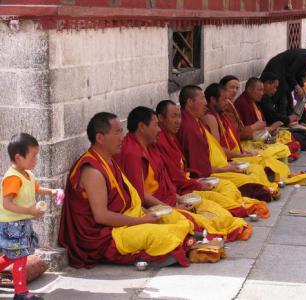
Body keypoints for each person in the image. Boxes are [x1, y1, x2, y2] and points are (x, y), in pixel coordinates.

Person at [59, 112, 192, 269]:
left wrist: (145, 213)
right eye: (117, 132)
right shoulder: (92, 171)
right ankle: (164, 251)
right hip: (106, 236)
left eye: (121, 131)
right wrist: (140, 221)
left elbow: (129, 199)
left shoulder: (109, 161)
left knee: (176, 219)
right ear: (100, 138)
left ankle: (174, 246)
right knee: (161, 235)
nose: (122, 137)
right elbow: (101, 216)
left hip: (124, 221)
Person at [117, 106, 252, 243]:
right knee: (199, 222)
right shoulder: (132, 152)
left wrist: (179, 199)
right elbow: (140, 195)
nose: (159, 129)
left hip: (170, 199)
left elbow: (164, 182)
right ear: (141, 127)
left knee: (215, 209)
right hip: (155, 208)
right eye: (156, 125)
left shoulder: (150, 146)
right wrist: (172, 207)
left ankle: (233, 220)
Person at [155, 100, 269, 218]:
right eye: (174, 116)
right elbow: (175, 177)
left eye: (179, 116)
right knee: (223, 202)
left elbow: (182, 170)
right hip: (180, 191)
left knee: (232, 186)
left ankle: (241, 205)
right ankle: (240, 207)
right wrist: (195, 184)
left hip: (189, 183)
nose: (178, 121)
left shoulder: (177, 134)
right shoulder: (171, 136)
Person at [176, 84, 273, 203]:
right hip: (208, 174)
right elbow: (199, 171)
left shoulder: (196, 122)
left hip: (218, 166)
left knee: (255, 170)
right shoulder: (189, 127)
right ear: (190, 102)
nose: (205, 103)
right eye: (202, 99)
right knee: (238, 184)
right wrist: (229, 167)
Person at [1, 133, 61, 300]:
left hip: (20, 223)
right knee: (20, 256)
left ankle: (21, 292)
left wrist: (51, 191)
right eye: (33, 156)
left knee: (12, 255)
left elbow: (35, 188)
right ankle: (21, 293)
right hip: (11, 225)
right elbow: (7, 204)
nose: (36, 159)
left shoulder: (27, 174)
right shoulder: (13, 178)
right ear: (18, 157)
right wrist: (30, 211)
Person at [259, 40, 306, 126]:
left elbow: (299, 74)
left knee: (288, 102)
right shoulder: (304, 57)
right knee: (282, 100)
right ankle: (281, 124)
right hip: (277, 72)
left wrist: (302, 87)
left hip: (284, 77)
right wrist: (297, 87)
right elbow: (290, 73)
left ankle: (287, 122)